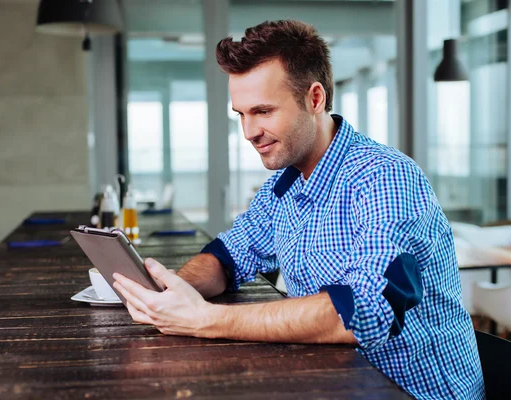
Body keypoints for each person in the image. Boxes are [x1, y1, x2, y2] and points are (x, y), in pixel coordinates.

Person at [113, 20, 485, 399]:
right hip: (334, 382)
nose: (248, 132)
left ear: (315, 99)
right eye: (240, 114)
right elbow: (225, 257)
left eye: (263, 111)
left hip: (413, 392)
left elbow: (365, 314)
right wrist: (169, 294)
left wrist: (206, 319)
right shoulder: (283, 184)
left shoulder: (384, 177)